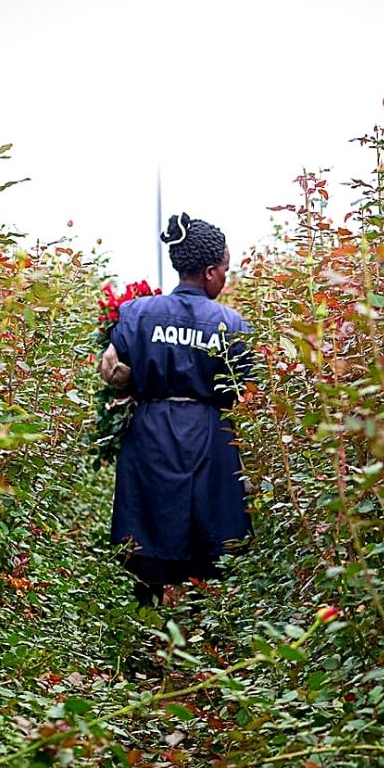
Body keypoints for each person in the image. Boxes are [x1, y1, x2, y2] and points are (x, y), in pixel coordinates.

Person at [99, 213, 253, 606]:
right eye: (224, 270)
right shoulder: (230, 323)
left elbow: (113, 371)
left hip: (151, 432)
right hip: (209, 435)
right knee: (212, 530)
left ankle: (144, 619)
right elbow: (246, 389)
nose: (225, 278)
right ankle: (206, 626)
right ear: (208, 272)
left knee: (149, 525)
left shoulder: (137, 313)